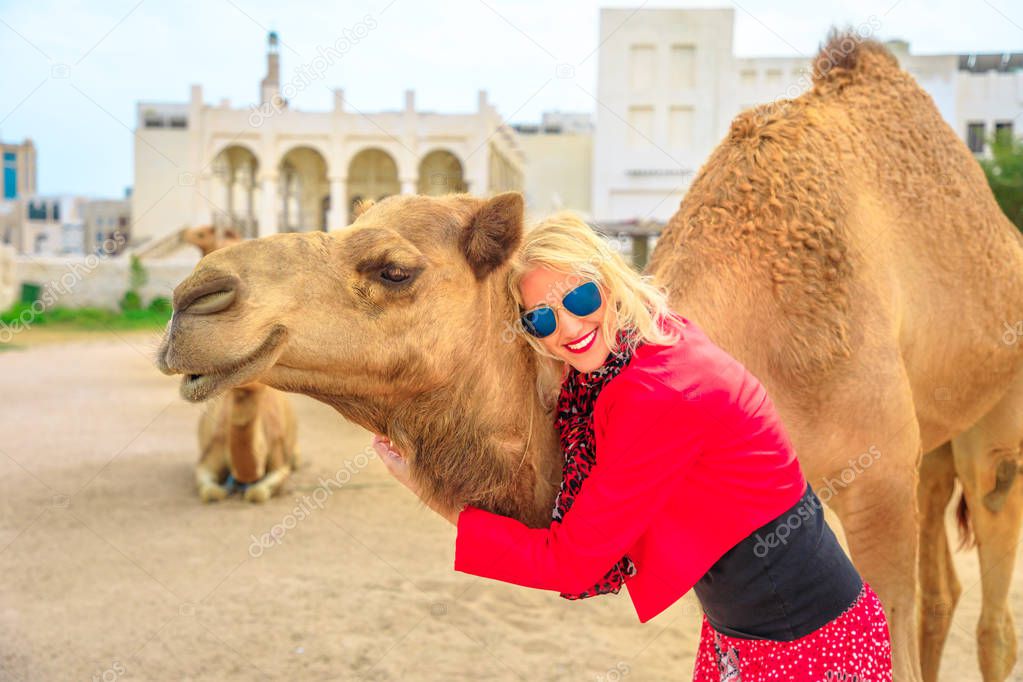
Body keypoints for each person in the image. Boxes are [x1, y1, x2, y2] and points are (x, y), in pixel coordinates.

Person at [373, 213, 892, 681]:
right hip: (751, 636)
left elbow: (573, 562)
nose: (569, 327)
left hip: (807, 650)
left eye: (578, 299)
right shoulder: (649, 337)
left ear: (608, 279)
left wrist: (431, 490)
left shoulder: (657, 394)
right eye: (542, 319)